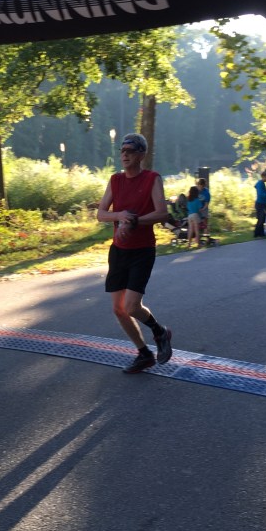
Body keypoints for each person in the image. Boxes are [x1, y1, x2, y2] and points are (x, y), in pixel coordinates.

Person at [96, 133, 173, 374]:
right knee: (118, 309)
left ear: (141, 154)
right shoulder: (115, 180)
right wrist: (119, 215)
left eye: (130, 151)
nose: (125, 155)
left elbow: (162, 213)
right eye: (122, 150)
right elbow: (100, 213)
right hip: (118, 251)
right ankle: (144, 354)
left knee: (131, 307)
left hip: (142, 251)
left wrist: (134, 221)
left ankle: (160, 331)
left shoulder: (152, 178)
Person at [254, 170, 266, 237]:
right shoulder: (260, 184)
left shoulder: (262, 183)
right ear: (264, 176)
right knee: (261, 219)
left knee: (263, 219)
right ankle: (257, 233)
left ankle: (261, 233)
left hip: (263, 203)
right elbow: (261, 194)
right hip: (260, 203)